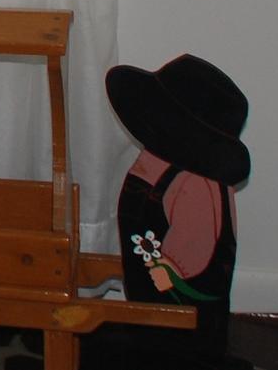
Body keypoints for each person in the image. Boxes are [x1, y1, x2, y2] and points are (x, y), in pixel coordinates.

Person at [87, 54, 250, 369]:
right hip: (150, 310)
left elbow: (193, 252)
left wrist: (168, 270)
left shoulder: (197, 186)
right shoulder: (157, 162)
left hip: (183, 326)